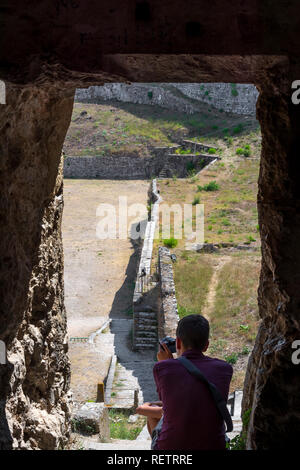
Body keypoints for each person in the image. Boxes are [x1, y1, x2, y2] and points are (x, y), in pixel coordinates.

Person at [135, 314, 233, 450]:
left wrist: (166, 362)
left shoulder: (162, 368)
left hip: (171, 448)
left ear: (178, 343)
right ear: (206, 345)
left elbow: (168, 406)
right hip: (214, 446)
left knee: (154, 419)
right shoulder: (225, 369)